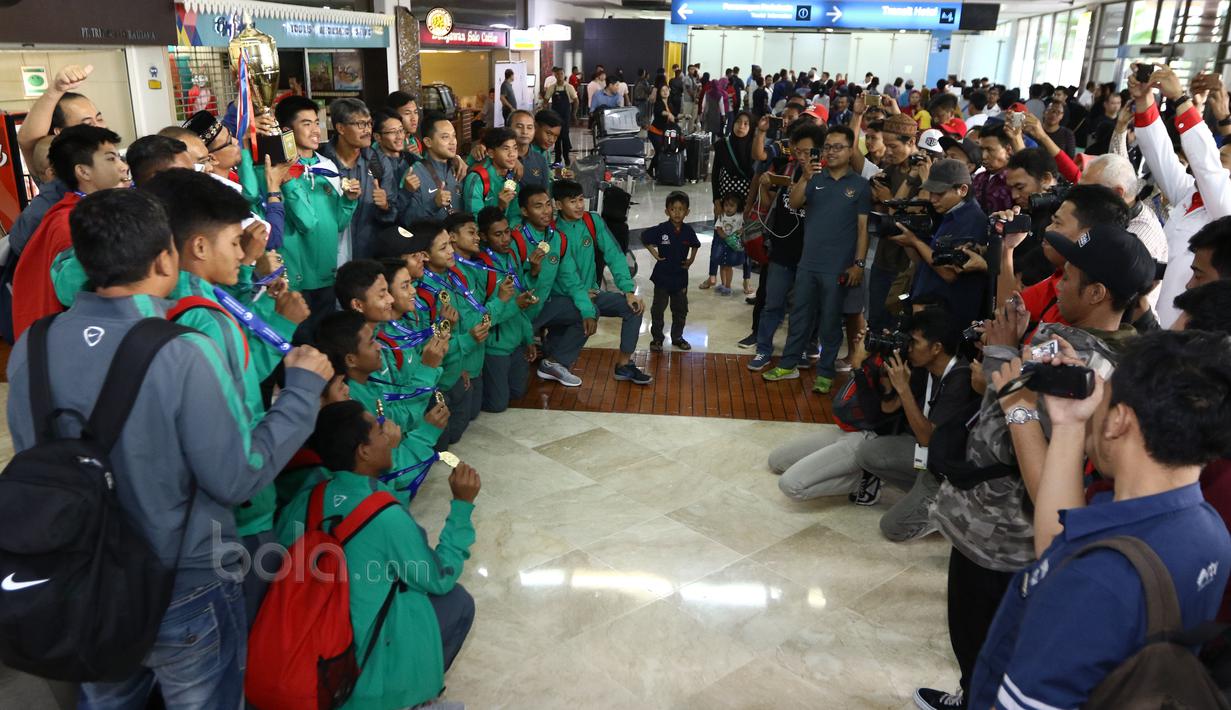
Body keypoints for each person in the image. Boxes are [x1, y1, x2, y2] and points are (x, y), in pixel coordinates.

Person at [7, 188, 331, 706]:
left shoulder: (33, 345)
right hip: (183, 579)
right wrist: (301, 395)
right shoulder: (184, 350)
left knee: (110, 698)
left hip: (83, 571)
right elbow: (237, 477)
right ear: (165, 259)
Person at [969, 330, 1231, 710]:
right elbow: (1056, 544)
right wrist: (1069, 424)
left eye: (1104, 397)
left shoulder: (1095, 580)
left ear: (1118, 420)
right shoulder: (1209, 530)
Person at [276, 401, 477, 709]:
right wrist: (462, 506)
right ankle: (412, 700)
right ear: (364, 451)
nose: (390, 435)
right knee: (456, 601)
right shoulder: (385, 515)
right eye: (380, 431)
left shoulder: (304, 501)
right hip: (361, 672)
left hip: (311, 650)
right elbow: (439, 577)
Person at [763, 125, 871, 394]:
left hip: (837, 267)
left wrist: (858, 264)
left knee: (830, 322)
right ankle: (788, 364)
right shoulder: (814, 178)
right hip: (807, 263)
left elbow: (862, 230)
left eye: (838, 147)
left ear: (851, 151)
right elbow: (794, 203)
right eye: (827, 147)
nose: (831, 152)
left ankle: (825, 372)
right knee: (798, 316)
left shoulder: (860, 186)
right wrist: (805, 178)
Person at [854, 307, 975, 542]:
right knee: (868, 453)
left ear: (936, 347)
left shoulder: (960, 379)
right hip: (927, 457)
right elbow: (884, 410)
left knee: (892, 528)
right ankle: (925, 496)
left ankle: (949, 508)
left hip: (948, 468)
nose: (909, 348)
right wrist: (877, 363)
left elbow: (928, 439)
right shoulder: (924, 367)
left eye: (915, 342)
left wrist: (904, 389)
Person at [11, 125, 126, 339]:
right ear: (83, 171)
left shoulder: (89, 210)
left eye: (119, 158)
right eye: (111, 159)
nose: (123, 167)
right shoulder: (69, 223)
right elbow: (77, 295)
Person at [268, 95, 360, 321]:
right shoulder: (277, 170)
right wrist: (288, 183)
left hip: (326, 275)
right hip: (296, 280)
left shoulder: (327, 166)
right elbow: (306, 223)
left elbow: (339, 225)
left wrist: (348, 200)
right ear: (287, 131)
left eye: (316, 122)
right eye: (306, 124)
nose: (316, 130)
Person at [552, 179, 652, 384]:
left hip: (591, 293)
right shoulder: (552, 232)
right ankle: (556, 362)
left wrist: (628, 291)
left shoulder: (592, 221)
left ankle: (624, 365)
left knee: (634, 308)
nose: (579, 206)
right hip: (563, 296)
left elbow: (614, 254)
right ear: (558, 204)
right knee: (587, 314)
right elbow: (565, 277)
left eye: (581, 200)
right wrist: (583, 297)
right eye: (572, 201)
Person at [746, 123, 824, 370]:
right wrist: (764, 186)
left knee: (803, 308)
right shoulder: (786, 169)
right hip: (782, 249)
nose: (801, 156)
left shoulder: (826, 178)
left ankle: (798, 350)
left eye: (807, 152)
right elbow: (772, 205)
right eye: (797, 151)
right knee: (773, 303)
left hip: (810, 254)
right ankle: (763, 349)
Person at [891, 159, 990, 327]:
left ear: (963, 190)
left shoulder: (972, 219)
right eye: (931, 192)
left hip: (948, 316)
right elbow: (923, 261)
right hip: (928, 310)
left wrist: (915, 241)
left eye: (940, 193)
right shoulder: (947, 213)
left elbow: (948, 273)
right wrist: (907, 241)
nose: (932, 199)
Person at [515, 186, 591, 388]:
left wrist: (588, 311)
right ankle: (526, 341)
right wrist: (532, 272)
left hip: (542, 308)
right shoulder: (516, 240)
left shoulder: (557, 238)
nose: (546, 211)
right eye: (538, 206)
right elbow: (511, 292)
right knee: (514, 391)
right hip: (516, 316)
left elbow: (571, 280)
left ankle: (554, 362)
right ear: (524, 211)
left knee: (584, 312)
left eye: (548, 204)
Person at [320, 98, 399, 262]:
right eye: (360, 124)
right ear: (341, 128)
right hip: (329, 258)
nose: (368, 130)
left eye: (369, 123)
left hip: (369, 259)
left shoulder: (378, 162)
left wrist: (385, 206)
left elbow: (392, 215)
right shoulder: (321, 163)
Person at [474, 207, 537, 412]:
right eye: (498, 234)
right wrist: (515, 304)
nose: (506, 239)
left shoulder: (511, 257)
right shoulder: (480, 268)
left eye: (507, 232)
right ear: (484, 236)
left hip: (515, 341)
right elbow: (483, 317)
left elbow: (520, 302)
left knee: (517, 393)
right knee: (498, 405)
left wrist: (528, 338)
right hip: (495, 346)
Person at [701, 111, 755, 292]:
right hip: (726, 202)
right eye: (738, 122)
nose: (741, 126)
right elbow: (715, 174)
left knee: (744, 240)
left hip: (746, 202)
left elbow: (756, 175)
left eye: (746, 123)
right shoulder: (723, 145)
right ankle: (712, 276)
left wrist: (752, 204)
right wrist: (716, 201)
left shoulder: (754, 147)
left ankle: (747, 279)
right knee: (719, 237)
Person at [641, 191, 700, 351]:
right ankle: (657, 339)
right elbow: (645, 238)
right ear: (667, 211)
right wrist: (654, 253)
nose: (677, 213)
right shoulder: (662, 229)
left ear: (687, 212)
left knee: (680, 310)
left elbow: (695, 244)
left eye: (681, 209)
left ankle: (677, 337)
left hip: (680, 278)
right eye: (673, 209)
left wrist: (691, 259)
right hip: (662, 277)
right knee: (658, 309)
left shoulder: (688, 231)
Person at [400, 112, 461, 226]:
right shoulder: (415, 174)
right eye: (445, 137)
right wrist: (434, 204)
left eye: (454, 136)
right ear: (428, 142)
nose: (453, 142)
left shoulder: (458, 169)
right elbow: (407, 222)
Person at [461, 127, 522, 227]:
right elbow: (474, 221)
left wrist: (511, 232)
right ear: (491, 153)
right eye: (506, 149)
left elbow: (515, 215)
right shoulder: (477, 179)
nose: (512, 154)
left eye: (515, 148)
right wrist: (500, 208)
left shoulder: (512, 177)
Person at [973, 122, 1015, 215]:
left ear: (1008, 150)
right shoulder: (978, 179)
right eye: (981, 149)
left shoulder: (1015, 182)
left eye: (990, 150)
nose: (983, 156)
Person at [543, 67, 578, 161]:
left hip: (566, 115)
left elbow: (576, 101)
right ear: (555, 75)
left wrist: (574, 114)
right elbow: (545, 101)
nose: (560, 76)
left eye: (561, 74)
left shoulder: (569, 87)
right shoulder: (552, 88)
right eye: (557, 74)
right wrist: (546, 114)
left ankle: (566, 157)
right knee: (556, 136)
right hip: (555, 116)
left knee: (565, 135)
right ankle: (557, 158)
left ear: (564, 75)